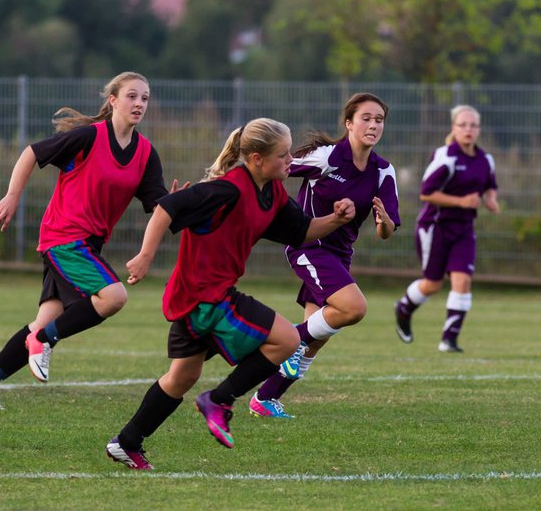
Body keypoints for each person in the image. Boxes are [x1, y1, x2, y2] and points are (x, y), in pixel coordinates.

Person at [105, 119, 355, 468]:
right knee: (285, 340)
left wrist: (336, 219)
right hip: (206, 296)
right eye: (283, 155)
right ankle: (220, 400)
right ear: (256, 158)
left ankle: (127, 442)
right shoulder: (229, 189)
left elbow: (302, 232)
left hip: (198, 297)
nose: (290, 161)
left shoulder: (272, 192)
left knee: (181, 378)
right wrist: (145, 256)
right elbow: (167, 207)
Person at [0, 72, 170, 410]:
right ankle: (43, 341)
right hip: (65, 236)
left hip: (89, 243)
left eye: (145, 98)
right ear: (113, 100)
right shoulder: (89, 137)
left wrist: (175, 202)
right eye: (132, 96)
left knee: (46, 319)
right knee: (113, 297)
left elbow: (157, 203)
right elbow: (32, 153)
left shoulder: (146, 153)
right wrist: (13, 195)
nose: (139, 104)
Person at [249, 93, 401, 419]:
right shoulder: (327, 157)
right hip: (308, 247)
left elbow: (388, 231)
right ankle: (282, 339)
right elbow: (277, 169)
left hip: (340, 255)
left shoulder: (383, 172)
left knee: (315, 337)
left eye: (379, 120)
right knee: (354, 308)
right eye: (366, 118)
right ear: (348, 123)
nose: (373, 125)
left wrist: (384, 221)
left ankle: (265, 398)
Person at [393, 104, 499, 353]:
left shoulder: (486, 160)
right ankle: (404, 308)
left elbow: (490, 185)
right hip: (435, 227)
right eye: (463, 125)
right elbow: (426, 193)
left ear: (479, 129)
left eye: (473, 125)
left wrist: (491, 199)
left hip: (464, 228)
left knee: (462, 281)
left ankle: (448, 339)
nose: (468, 130)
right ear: (454, 128)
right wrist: (461, 201)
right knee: (432, 284)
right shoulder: (446, 156)